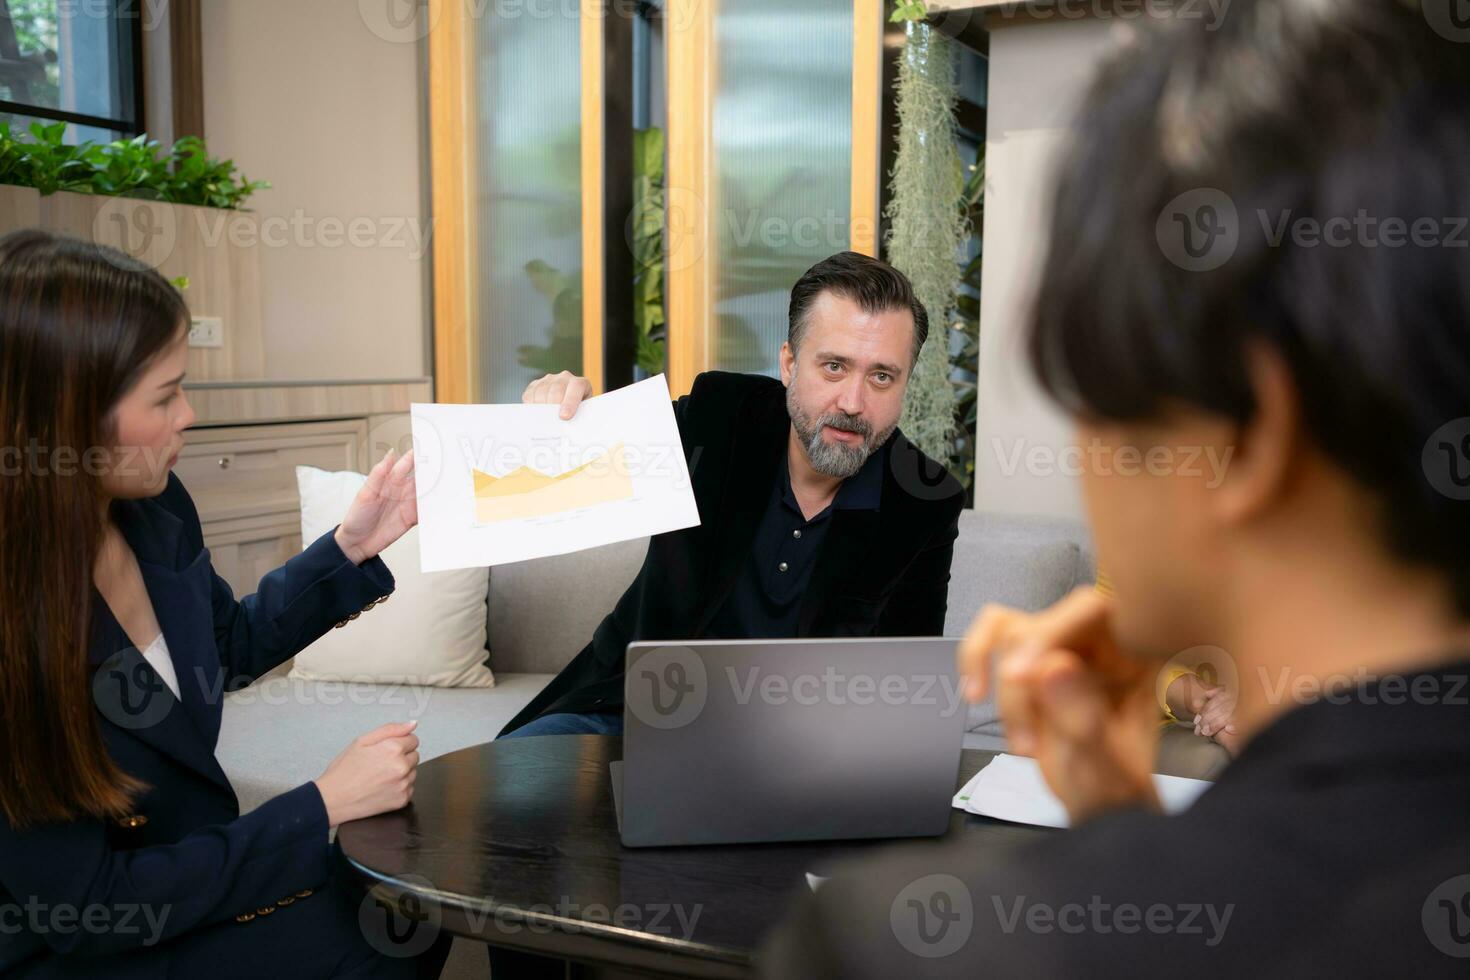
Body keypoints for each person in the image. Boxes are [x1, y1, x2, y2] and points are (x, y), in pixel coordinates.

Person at [759, 0, 1470, 975]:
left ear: (1249, 438)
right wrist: (1128, 835)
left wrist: (1123, 865)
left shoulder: (894, 947)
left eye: (1087, 392)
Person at [0, 231, 449, 979]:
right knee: (377, 939)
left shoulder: (152, 508)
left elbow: (223, 648)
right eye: (166, 394)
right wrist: (320, 805)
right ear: (68, 417)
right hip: (73, 944)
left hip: (178, 881)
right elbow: (92, 906)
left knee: (408, 906)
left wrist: (350, 547)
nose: (189, 415)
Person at [498, 250, 966, 739]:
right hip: (626, 711)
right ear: (788, 364)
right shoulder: (716, 415)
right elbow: (564, 471)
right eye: (833, 367)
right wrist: (564, 412)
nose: (852, 402)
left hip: (794, 748)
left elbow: (906, 688)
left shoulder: (924, 502)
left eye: (881, 377)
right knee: (507, 787)